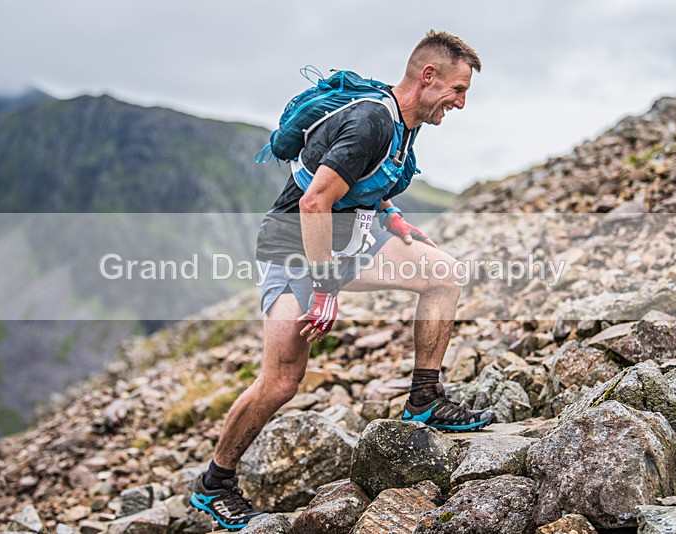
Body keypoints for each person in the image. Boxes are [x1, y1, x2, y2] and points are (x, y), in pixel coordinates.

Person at [190, 30, 496, 530]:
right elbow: (314, 201)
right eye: (458, 90)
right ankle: (214, 483)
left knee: (444, 273)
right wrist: (325, 290)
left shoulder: (404, 123)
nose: (461, 103)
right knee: (281, 381)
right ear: (428, 76)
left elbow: (364, 178)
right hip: (295, 247)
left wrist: (392, 217)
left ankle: (424, 398)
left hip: (349, 240)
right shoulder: (372, 120)